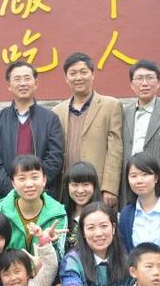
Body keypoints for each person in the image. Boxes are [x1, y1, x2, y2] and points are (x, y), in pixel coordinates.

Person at [0, 60, 64, 201]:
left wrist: (35, 186)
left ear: (36, 83)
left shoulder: (50, 118)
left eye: (27, 78)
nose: (23, 83)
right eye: (17, 79)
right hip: (6, 198)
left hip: (43, 196)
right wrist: (13, 190)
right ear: (9, 86)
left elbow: (55, 157)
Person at [52, 53, 123, 207]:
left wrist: (109, 188)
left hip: (97, 187)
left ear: (93, 75)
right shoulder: (58, 111)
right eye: (73, 73)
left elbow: (115, 150)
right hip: (68, 189)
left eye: (83, 72)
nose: (78, 77)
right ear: (66, 78)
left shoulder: (110, 106)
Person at [122, 59, 160, 204]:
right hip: (129, 189)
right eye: (139, 78)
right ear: (132, 84)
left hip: (159, 188)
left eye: (150, 78)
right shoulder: (124, 113)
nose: (144, 83)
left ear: (158, 83)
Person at [118, 153, 160, 272]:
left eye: (145, 174)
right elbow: (124, 252)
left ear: (156, 178)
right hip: (135, 279)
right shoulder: (126, 214)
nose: (139, 180)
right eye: (133, 176)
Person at [0, 155, 67, 254]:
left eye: (35, 177)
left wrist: (47, 241)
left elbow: (59, 257)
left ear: (44, 180)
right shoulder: (0, 212)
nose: (29, 184)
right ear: (13, 183)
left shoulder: (58, 214)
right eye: (22, 179)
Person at [61, 161, 100, 254]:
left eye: (86, 184)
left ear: (94, 186)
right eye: (74, 185)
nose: (80, 190)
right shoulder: (60, 215)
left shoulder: (105, 215)